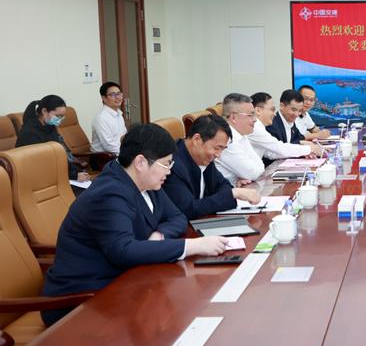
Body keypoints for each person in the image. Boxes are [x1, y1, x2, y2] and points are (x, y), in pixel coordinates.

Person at [41, 123, 228, 326]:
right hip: (81, 300)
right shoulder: (108, 194)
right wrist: (192, 246)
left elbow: (178, 217)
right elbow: (123, 250)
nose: (169, 171)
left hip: (124, 282)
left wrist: (159, 236)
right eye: (166, 164)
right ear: (140, 162)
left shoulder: (147, 182)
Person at [162, 114, 261, 219]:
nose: (218, 155)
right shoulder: (172, 165)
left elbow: (223, 185)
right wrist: (232, 193)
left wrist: (228, 194)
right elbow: (188, 209)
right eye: (217, 148)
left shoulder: (203, 156)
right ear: (196, 140)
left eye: (222, 149)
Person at [16, 94, 89, 182]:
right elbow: (42, 164)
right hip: (37, 178)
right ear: (44, 111)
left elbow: (59, 156)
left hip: (54, 174)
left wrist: (77, 171)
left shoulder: (50, 127)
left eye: (62, 116)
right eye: (58, 116)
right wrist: (73, 175)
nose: (60, 119)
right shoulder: (29, 133)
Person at [248, 92, 318, 162]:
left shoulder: (259, 126)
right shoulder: (255, 127)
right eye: (272, 109)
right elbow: (279, 148)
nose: (274, 114)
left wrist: (303, 152)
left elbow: (271, 153)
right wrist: (310, 149)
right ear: (258, 110)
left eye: (299, 111)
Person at [215, 93, 265, 186]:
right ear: (234, 117)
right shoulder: (226, 139)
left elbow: (259, 166)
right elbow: (253, 173)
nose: (255, 119)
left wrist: (240, 178)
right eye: (250, 115)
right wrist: (242, 177)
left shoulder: (241, 135)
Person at [91, 81, 127, 155]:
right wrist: (128, 153)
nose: (118, 97)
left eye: (119, 94)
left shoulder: (119, 114)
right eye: (113, 95)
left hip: (119, 153)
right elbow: (109, 146)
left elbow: (124, 138)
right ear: (104, 98)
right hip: (104, 157)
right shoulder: (101, 118)